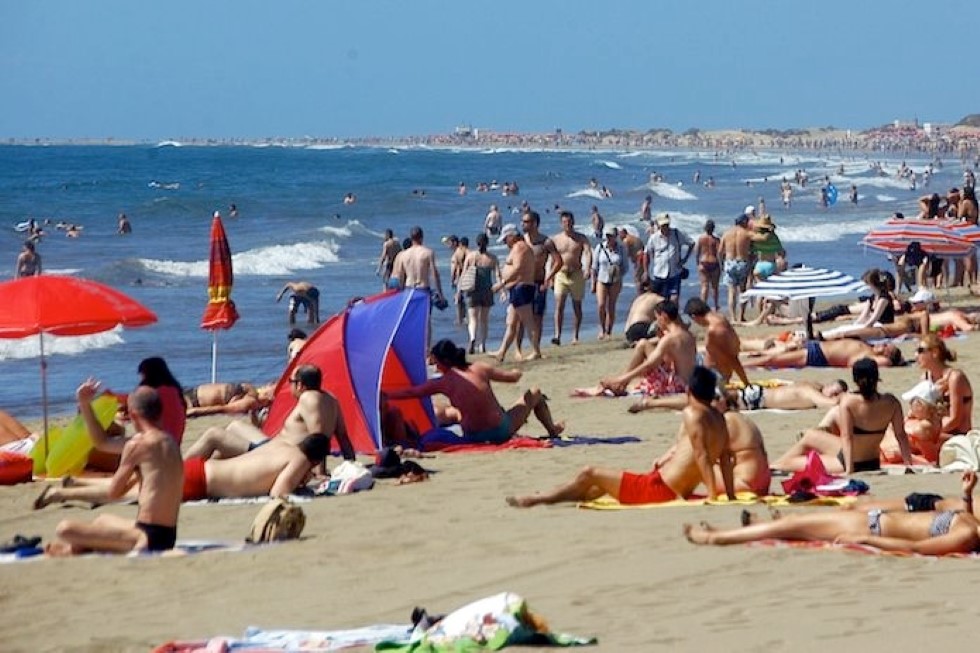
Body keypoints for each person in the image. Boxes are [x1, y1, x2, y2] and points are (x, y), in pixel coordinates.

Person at [506, 366, 735, 507]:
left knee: (590, 472)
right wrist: (730, 496)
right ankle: (548, 496)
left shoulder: (693, 413)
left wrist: (713, 496)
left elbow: (702, 455)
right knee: (594, 488)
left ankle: (540, 499)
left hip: (659, 490)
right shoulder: (720, 419)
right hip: (666, 485)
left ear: (689, 391)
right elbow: (724, 459)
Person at [685, 471, 980, 556]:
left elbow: (915, 547)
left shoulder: (966, 535)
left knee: (788, 525)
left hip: (873, 527)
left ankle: (718, 538)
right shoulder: (973, 524)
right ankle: (732, 532)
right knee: (794, 525)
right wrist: (966, 494)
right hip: (875, 520)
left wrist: (864, 538)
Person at [39, 385, 183, 556]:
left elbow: (114, 493)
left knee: (64, 529)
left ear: (134, 415)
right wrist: (85, 404)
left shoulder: (137, 445)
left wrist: (84, 404)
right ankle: (79, 548)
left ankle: (73, 550)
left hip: (146, 539)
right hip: (167, 534)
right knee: (102, 520)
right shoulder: (170, 441)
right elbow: (102, 442)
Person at [184, 364, 354, 474]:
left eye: (291, 382)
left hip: (275, 456)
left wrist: (319, 473)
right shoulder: (331, 399)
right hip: (273, 447)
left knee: (214, 435)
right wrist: (351, 465)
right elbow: (343, 438)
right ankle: (202, 470)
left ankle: (177, 471)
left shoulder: (308, 398)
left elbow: (317, 438)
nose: (290, 385)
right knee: (234, 427)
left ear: (300, 385)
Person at [386, 339, 565, 442]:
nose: (434, 366)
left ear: (442, 362)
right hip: (499, 430)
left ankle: (552, 429)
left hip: (472, 435)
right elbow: (512, 378)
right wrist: (518, 370)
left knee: (448, 410)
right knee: (535, 392)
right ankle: (552, 430)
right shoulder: (480, 368)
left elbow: (411, 393)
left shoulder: (442, 382)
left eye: (435, 362)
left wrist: (385, 395)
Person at [771, 358, 911, 474]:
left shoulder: (848, 402)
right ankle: (772, 466)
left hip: (848, 462)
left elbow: (847, 437)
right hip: (873, 462)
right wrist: (908, 465)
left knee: (786, 464)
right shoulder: (891, 402)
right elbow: (901, 436)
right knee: (810, 436)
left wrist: (849, 470)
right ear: (877, 377)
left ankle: (773, 467)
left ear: (855, 380)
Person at [585, 300, 696, 397]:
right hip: (688, 382)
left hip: (676, 385)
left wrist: (621, 378)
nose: (657, 322)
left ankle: (620, 384)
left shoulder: (669, 339)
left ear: (664, 316)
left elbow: (649, 364)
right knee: (643, 344)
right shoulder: (689, 335)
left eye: (657, 318)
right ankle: (621, 385)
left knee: (643, 344)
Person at [630, 379, 847, 414]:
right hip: (755, 398)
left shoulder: (809, 386)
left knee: (703, 401)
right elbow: (829, 404)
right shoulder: (810, 390)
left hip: (755, 396)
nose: (833, 394)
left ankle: (656, 402)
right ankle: (652, 403)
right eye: (834, 390)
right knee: (703, 403)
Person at [492, 223, 541, 362]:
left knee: (528, 321)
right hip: (519, 287)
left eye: (505, 239)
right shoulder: (521, 247)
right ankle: (501, 352)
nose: (505, 243)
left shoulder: (520, 247)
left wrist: (501, 284)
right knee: (511, 323)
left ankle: (536, 351)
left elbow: (518, 268)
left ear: (512, 236)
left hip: (522, 288)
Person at [519, 211, 561, 356]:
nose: (523, 224)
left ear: (535, 223)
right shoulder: (521, 241)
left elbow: (558, 261)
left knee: (537, 317)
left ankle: (535, 349)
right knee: (520, 317)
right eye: (523, 221)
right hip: (523, 282)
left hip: (538, 282)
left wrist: (548, 278)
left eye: (526, 222)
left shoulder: (545, 242)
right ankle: (518, 350)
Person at [915, 334, 973, 439]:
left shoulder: (955, 378)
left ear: (934, 353)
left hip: (957, 435)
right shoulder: (925, 377)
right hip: (935, 430)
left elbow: (955, 420)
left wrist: (930, 431)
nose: (915, 355)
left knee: (921, 432)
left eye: (920, 350)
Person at [683, 297, 749, 385]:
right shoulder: (719, 317)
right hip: (714, 368)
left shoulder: (714, 330)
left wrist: (746, 383)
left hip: (715, 375)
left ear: (694, 317)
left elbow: (732, 358)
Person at [551, 210, 592, 346]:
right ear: (561, 223)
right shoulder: (556, 239)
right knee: (559, 305)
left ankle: (575, 336)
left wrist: (588, 268)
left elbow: (587, 252)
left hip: (576, 274)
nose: (567, 224)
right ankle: (557, 335)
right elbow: (552, 259)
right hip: (561, 274)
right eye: (564, 222)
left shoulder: (581, 238)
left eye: (569, 222)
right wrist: (550, 276)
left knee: (577, 306)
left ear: (573, 222)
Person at [742, 337, 904, 369]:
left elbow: (887, 364)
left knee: (772, 359)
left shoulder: (867, 358)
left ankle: (742, 365)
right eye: (885, 343)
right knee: (771, 351)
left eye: (885, 348)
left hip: (817, 355)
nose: (882, 345)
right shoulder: (867, 348)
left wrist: (894, 360)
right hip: (816, 345)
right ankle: (741, 360)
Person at [460, 233, 501, 355]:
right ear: (487, 243)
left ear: (477, 243)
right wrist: (501, 289)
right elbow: (498, 275)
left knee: (472, 318)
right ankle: (482, 345)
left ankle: (472, 338)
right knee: (484, 320)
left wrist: (459, 290)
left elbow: (464, 274)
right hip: (487, 291)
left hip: (472, 290)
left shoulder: (471, 256)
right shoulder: (493, 258)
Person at [393, 225, 446, 314]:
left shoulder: (404, 255)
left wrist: (401, 294)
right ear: (422, 237)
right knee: (425, 321)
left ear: (411, 238)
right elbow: (435, 275)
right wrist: (440, 295)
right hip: (423, 289)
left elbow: (400, 277)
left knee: (411, 319)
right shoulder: (428, 253)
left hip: (408, 289)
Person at [644, 213, 693, 303]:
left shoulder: (677, 234)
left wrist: (685, 259)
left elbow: (691, 243)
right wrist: (646, 272)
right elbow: (646, 253)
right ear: (659, 225)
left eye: (667, 224)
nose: (665, 227)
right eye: (663, 225)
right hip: (659, 274)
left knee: (674, 300)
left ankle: (674, 316)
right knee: (660, 301)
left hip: (674, 274)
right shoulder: (654, 238)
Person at [591, 225, 629, 340]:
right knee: (601, 305)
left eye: (611, 236)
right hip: (602, 279)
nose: (609, 238)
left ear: (615, 236)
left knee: (611, 306)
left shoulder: (621, 249)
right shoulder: (600, 247)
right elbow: (594, 266)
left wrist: (618, 275)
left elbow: (625, 266)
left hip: (615, 281)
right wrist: (593, 282)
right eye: (607, 236)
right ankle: (601, 329)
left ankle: (609, 331)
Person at [717, 214, 757, 321]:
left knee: (731, 291)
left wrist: (721, 265)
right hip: (742, 261)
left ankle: (733, 317)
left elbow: (720, 252)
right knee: (742, 291)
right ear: (744, 222)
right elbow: (759, 239)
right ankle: (741, 316)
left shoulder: (726, 234)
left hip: (729, 263)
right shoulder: (747, 233)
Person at [183, 382, 275, 419]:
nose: (266, 387)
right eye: (270, 385)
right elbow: (245, 386)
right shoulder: (251, 392)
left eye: (269, 394)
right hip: (191, 392)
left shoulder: (250, 402)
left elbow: (222, 409)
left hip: (194, 402)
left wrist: (195, 411)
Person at [694, 220, 721, 310]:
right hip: (713, 262)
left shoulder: (701, 238)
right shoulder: (716, 240)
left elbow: (697, 251)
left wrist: (698, 263)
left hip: (703, 262)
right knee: (714, 287)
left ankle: (703, 305)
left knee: (704, 286)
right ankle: (716, 305)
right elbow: (720, 252)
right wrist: (722, 264)